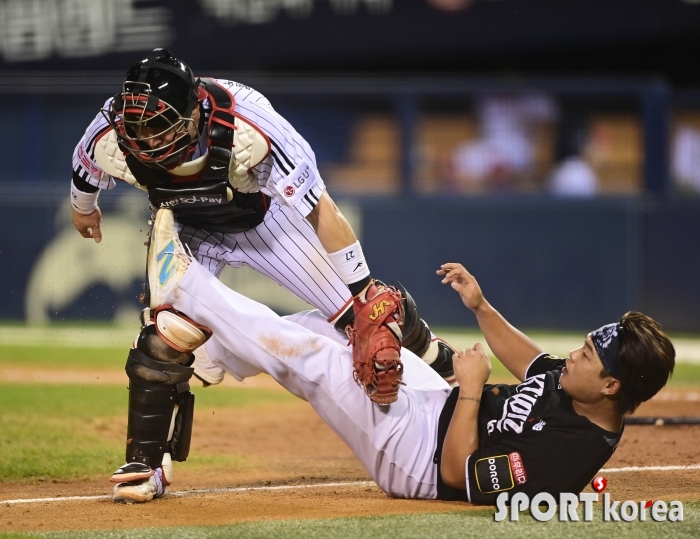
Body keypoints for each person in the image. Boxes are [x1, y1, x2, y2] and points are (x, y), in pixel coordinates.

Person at [71, 49, 457, 497]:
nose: (145, 139)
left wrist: (364, 290)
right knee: (165, 336)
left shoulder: (250, 125)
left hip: (269, 225)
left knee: (366, 318)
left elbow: (322, 211)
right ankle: (147, 464)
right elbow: (84, 175)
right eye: (135, 126)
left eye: (157, 126)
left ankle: (437, 360)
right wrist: (85, 211)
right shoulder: (107, 132)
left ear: (193, 113)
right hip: (188, 228)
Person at [114, 208, 675, 504]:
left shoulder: (567, 459)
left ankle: (185, 287)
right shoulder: (577, 387)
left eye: (587, 356)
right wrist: (481, 307)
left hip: (418, 459)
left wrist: (473, 387)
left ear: (611, 388)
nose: (574, 357)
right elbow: (535, 364)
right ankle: (218, 354)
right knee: (342, 327)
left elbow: (459, 473)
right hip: (437, 409)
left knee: (310, 357)